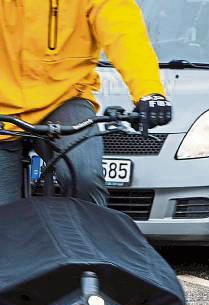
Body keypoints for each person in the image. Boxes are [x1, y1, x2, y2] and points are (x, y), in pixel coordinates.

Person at [0, 0, 173, 207]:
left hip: (64, 97)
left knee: (84, 176)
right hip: (3, 104)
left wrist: (149, 92)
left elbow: (124, 32)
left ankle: (91, 236)